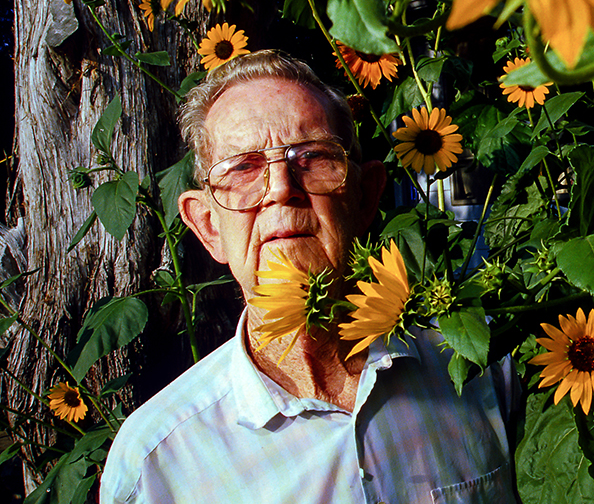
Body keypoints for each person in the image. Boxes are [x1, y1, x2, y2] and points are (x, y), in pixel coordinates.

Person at [100, 50, 519, 503]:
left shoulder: (483, 364)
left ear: (365, 199)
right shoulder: (158, 463)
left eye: (313, 157)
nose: (281, 187)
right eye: (243, 167)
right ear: (207, 226)